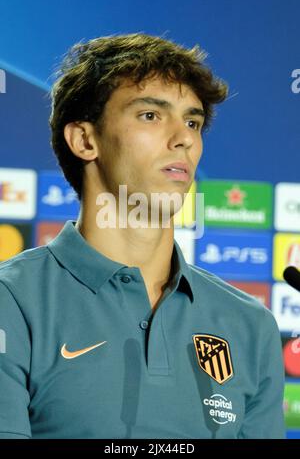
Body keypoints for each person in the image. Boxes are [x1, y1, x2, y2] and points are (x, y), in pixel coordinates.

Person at [0, 33, 285, 439]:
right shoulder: (10, 302)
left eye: (193, 121)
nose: (184, 138)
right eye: (151, 115)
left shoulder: (250, 324)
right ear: (85, 140)